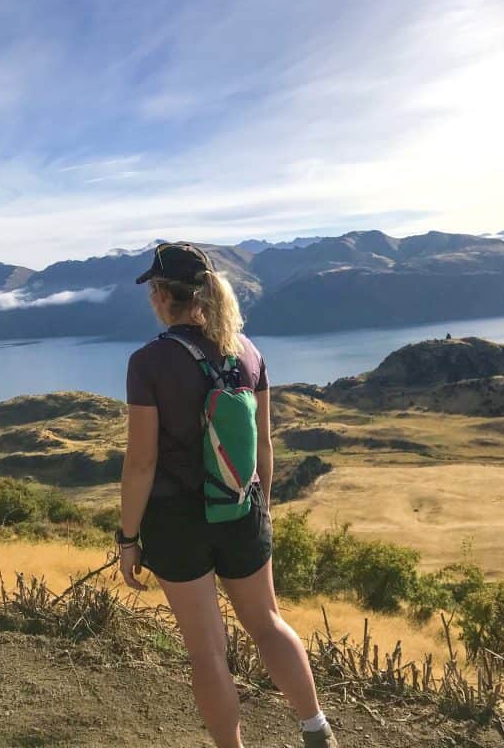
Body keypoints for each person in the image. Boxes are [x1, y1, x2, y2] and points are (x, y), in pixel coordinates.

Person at [117, 242, 338, 748]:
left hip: (176, 523)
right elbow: (262, 444)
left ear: (159, 295)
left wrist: (128, 538)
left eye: (152, 290)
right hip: (243, 506)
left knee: (207, 651)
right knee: (267, 623)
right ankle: (315, 728)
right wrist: (262, 511)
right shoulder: (250, 351)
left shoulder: (149, 362)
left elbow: (142, 462)